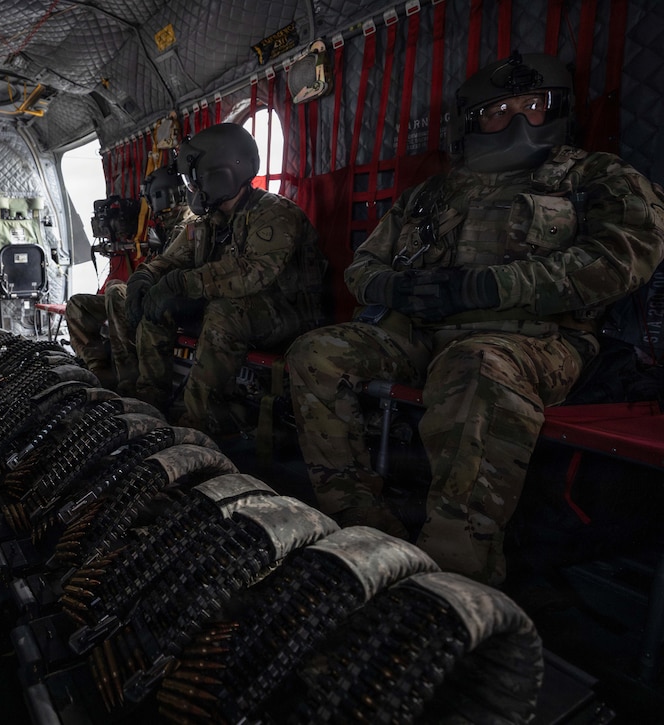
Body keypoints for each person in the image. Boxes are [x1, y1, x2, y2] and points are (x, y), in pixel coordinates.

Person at [285, 52, 664, 586]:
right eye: (497, 110)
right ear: (473, 121)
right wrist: (396, 286)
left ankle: (454, 577)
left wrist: (491, 286)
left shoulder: (593, 175)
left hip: (538, 341)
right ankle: (363, 529)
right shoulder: (435, 192)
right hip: (423, 333)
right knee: (316, 353)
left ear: (555, 110)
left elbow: (625, 257)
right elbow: (364, 266)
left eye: (531, 106)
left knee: (475, 364)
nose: (514, 120)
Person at [128, 122, 328, 435]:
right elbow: (173, 260)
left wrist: (182, 283)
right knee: (159, 304)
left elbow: (252, 273)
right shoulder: (209, 219)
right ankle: (150, 402)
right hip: (233, 309)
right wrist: (147, 277)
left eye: (194, 181)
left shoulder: (274, 212)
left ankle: (199, 420)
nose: (191, 189)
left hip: (287, 314)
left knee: (223, 311)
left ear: (220, 175)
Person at [66, 166, 192, 394]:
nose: (153, 209)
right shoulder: (164, 227)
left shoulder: (189, 225)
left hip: (170, 301)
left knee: (115, 293)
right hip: (148, 295)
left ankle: (127, 382)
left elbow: (166, 271)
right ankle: (99, 371)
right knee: (78, 304)